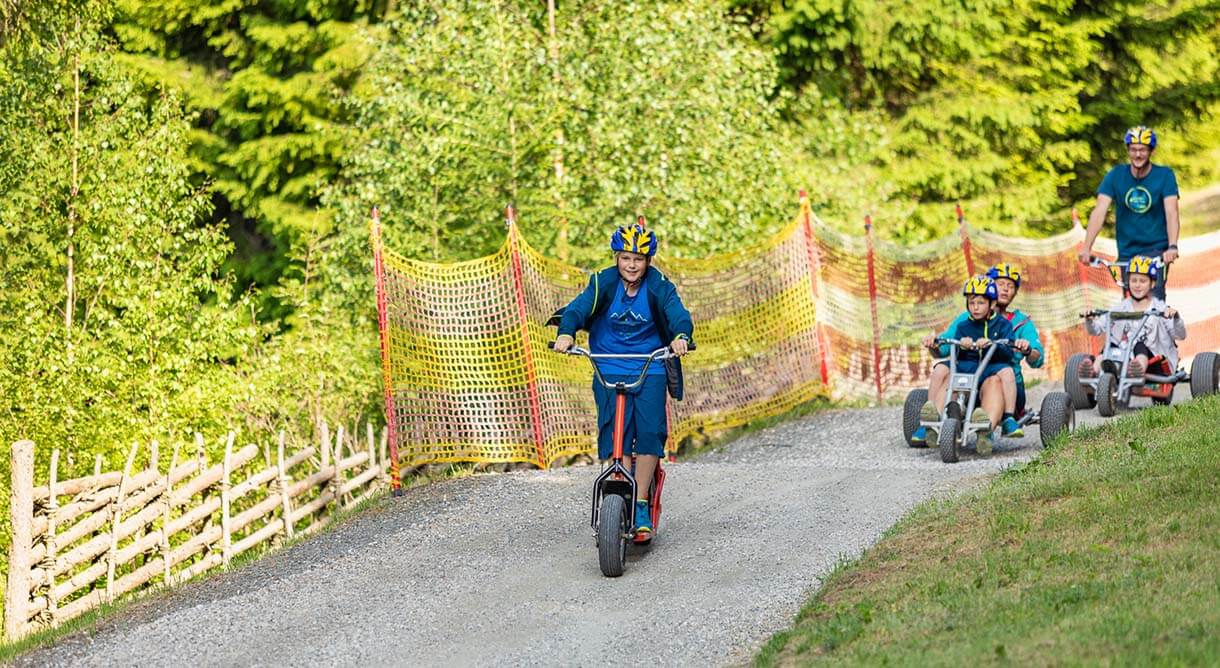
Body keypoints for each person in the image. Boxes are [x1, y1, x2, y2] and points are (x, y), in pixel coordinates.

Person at [553, 222, 693, 539]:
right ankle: (616, 483)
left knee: (649, 430)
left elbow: (678, 314)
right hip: (607, 363)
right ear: (617, 257)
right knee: (612, 428)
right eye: (626, 258)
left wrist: (681, 336)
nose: (632, 265)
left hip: (649, 363)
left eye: (639, 259)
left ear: (648, 261)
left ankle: (641, 501)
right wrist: (566, 332)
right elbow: (577, 308)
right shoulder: (603, 282)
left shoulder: (659, 286)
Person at [912, 276, 1017, 455]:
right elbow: (952, 349)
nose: (975, 307)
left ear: (992, 304)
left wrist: (992, 343)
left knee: (1007, 371)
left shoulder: (1003, 324)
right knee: (944, 371)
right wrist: (962, 343)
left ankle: (1007, 418)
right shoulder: (963, 325)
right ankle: (931, 420)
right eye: (971, 302)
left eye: (980, 303)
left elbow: (1008, 352)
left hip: (991, 365)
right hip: (968, 365)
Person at [930, 264, 1044, 425]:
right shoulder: (968, 317)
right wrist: (934, 344)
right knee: (945, 371)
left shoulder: (1021, 322)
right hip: (971, 375)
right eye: (1000, 284)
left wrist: (1026, 349)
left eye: (1010, 286)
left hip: (1004, 382)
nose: (1005, 290)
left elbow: (1037, 359)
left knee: (993, 381)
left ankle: (989, 426)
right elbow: (945, 346)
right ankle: (934, 419)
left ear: (1015, 292)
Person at [1078, 126, 1181, 300]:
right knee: (1131, 301)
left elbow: (1172, 212)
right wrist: (1087, 247)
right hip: (1127, 251)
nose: (1138, 155)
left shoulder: (1164, 176)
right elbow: (1099, 211)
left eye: (1142, 150)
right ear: (1128, 150)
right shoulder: (1116, 175)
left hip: (1155, 249)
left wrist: (1172, 246)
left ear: (1151, 151)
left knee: (1152, 300)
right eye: (1133, 150)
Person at [1083, 255, 1186, 377]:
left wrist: (1176, 318)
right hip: (1123, 359)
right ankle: (1093, 371)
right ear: (1128, 282)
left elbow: (1180, 335)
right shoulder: (1120, 308)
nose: (1137, 285)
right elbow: (1096, 329)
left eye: (1142, 281)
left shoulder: (1160, 309)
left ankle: (1138, 370)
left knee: (1139, 345)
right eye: (1134, 280)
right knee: (1110, 346)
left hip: (1155, 361)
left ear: (1152, 284)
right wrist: (1089, 321)